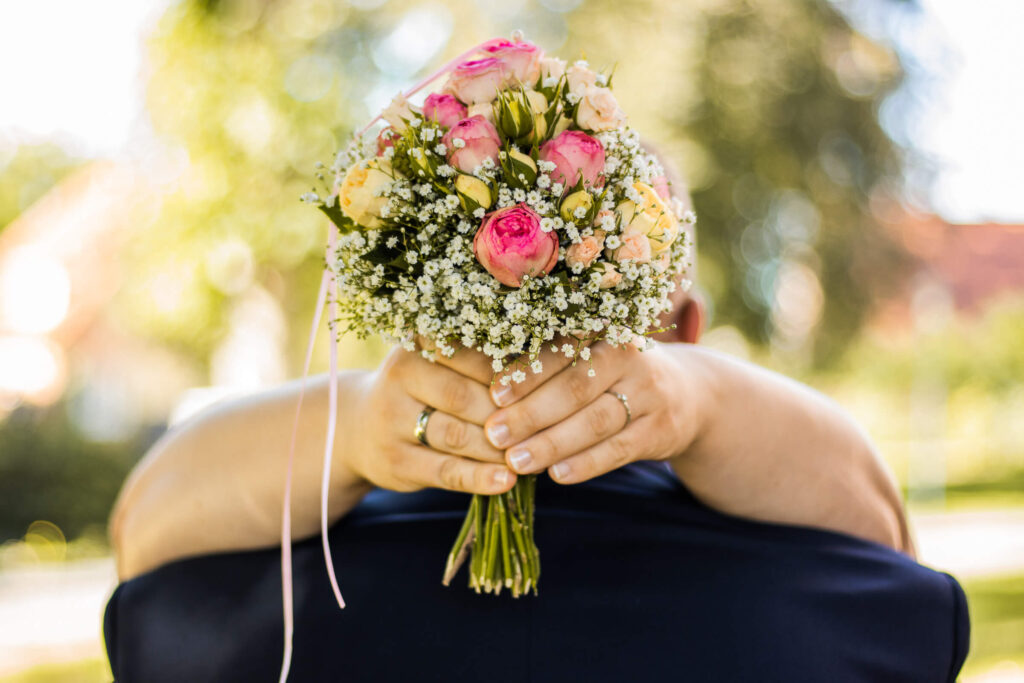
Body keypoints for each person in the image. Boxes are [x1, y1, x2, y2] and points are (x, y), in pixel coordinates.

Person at [105, 191, 968, 682]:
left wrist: (694, 398)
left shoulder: (248, 609)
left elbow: (144, 535)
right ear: (687, 325)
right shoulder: (825, 606)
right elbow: (889, 550)